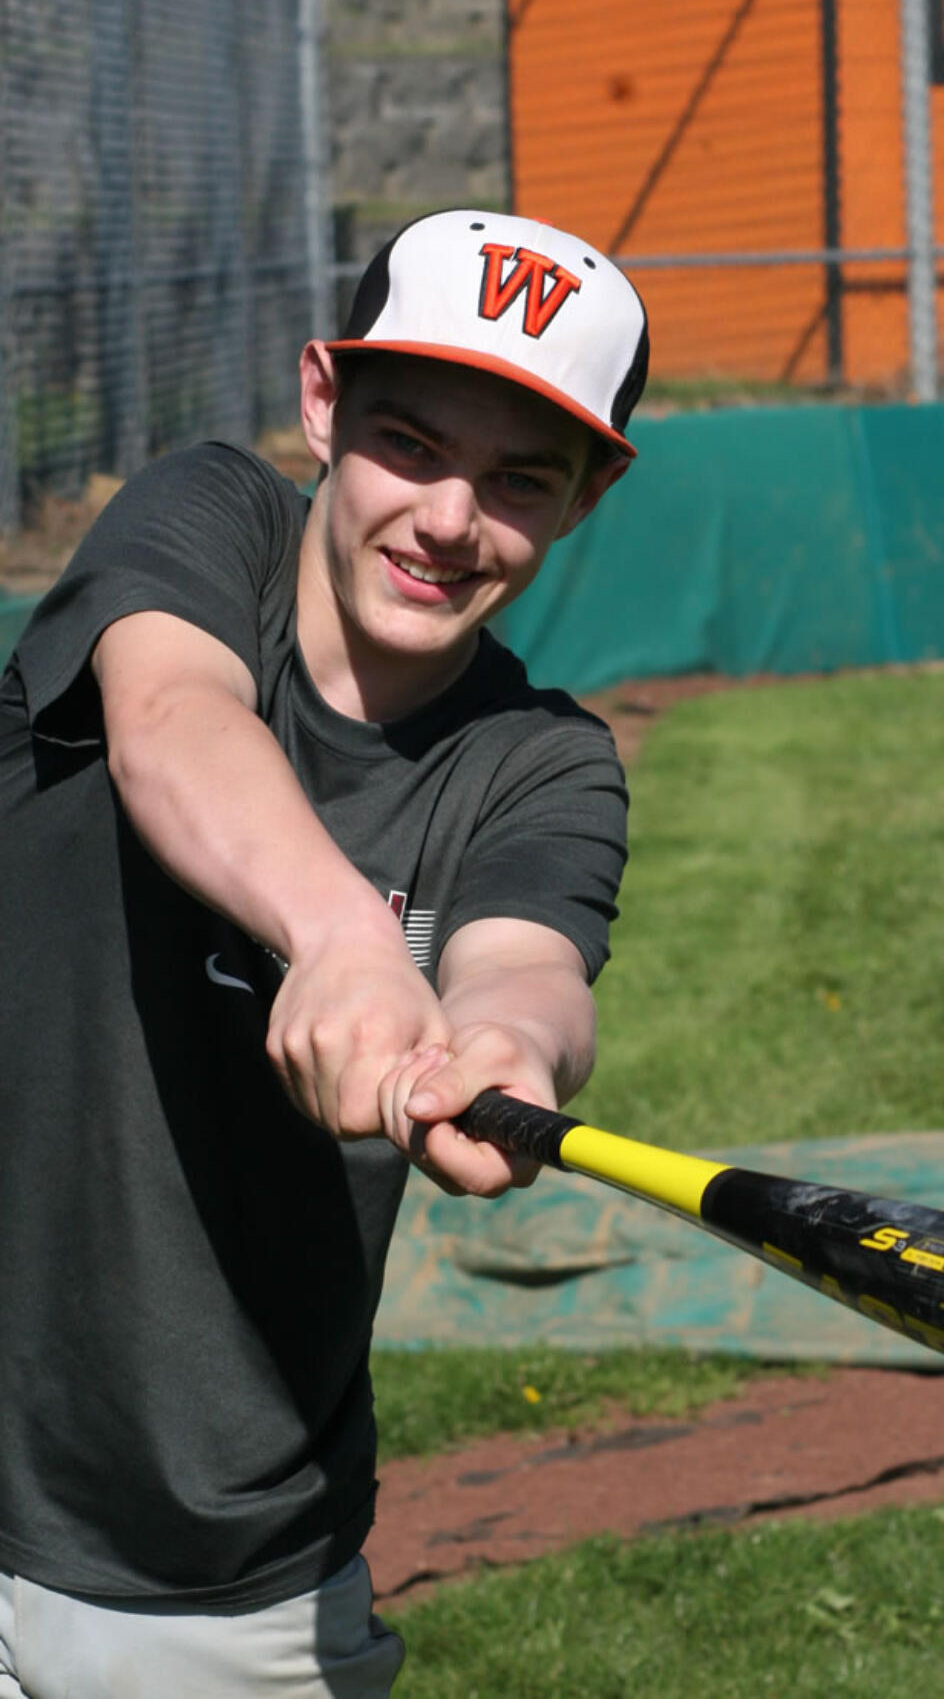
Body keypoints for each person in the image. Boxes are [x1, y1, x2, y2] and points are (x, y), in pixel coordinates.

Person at [0, 208, 649, 1695]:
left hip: (214, 1560)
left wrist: (506, 1053)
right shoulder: (202, 520)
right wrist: (349, 936)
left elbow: (526, 965)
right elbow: (170, 723)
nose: (445, 518)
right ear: (320, 406)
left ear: (586, 498)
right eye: (408, 445)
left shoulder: (545, 764)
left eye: (517, 482)